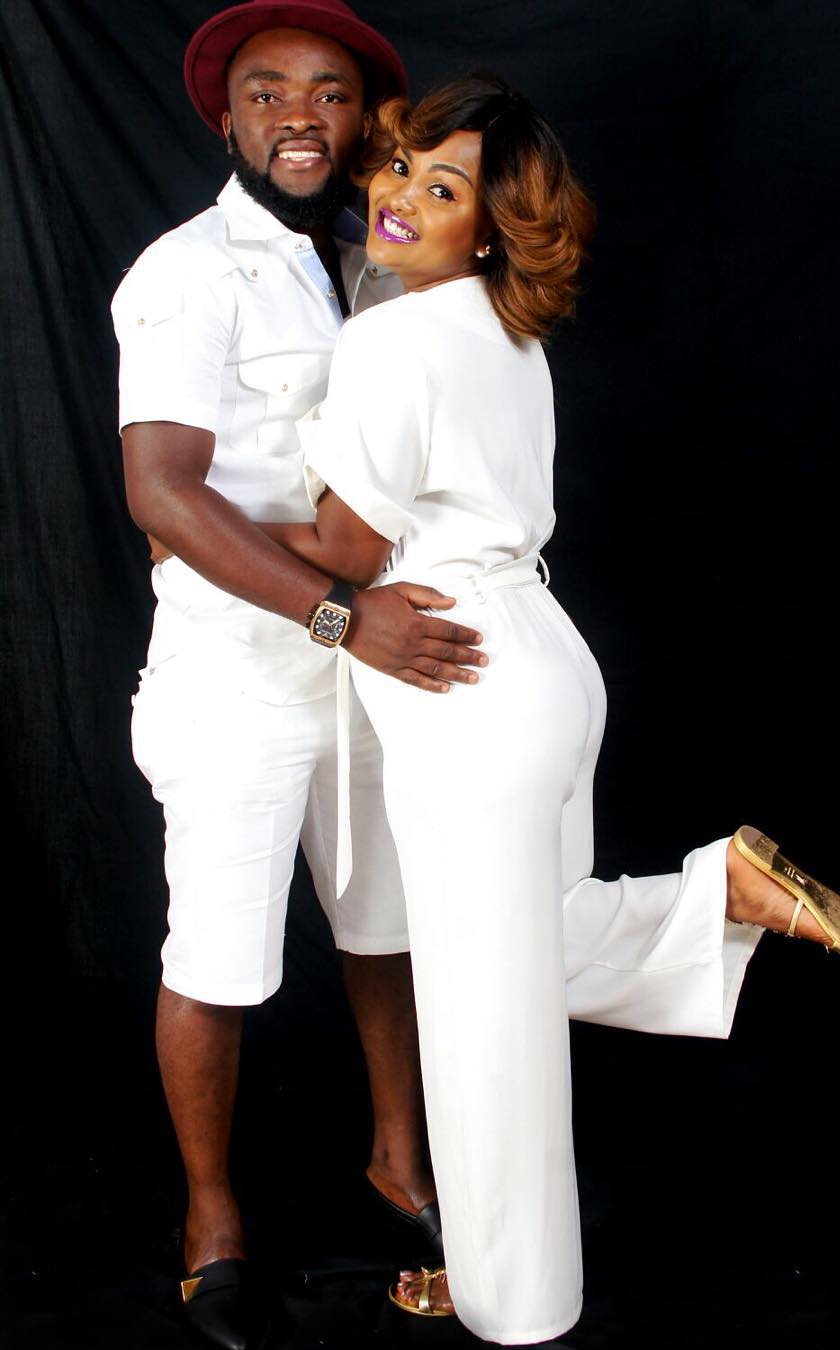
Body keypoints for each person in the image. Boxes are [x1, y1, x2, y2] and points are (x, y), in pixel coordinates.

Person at [258, 74, 840, 1344]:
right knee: (524, 953)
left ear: (491, 230)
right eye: (402, 166)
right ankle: (715, 896)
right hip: (543, 659)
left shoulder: (395, 339)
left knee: (483, 1013)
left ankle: (511, 1308)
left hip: (462, 680)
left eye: (444, 187)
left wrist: (203, 532)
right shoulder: (504, 335)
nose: (400, 196)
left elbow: (347, 550)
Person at [110, 4, 480, 1346]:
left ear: (362, 120)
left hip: (374, 664)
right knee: (216, 950)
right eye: (268, 94)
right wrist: (340, 613)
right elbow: (163, 492)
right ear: (229, 121)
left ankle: (399, 1162)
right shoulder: (187, 272)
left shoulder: (382, 258)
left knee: (388, 925)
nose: (299, 117)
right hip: (243, 677)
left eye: (328, 93)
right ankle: (212, 1218)